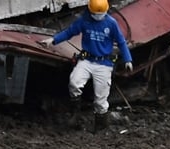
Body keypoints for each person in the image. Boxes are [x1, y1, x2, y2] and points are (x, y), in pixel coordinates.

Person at [39, 0, 133, 133]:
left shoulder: (111, 23)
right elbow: (69, 32)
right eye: (95, 13)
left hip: (104, 64)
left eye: (101, 14)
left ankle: (100, 127)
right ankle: (75, 114)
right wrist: (53, 40)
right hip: (87, 60)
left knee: (100, 100)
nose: (98, 16)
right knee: (74, 82)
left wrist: (128, 59)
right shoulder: (85, 20)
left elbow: (122, 42)